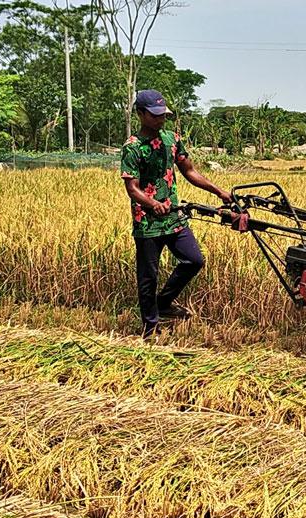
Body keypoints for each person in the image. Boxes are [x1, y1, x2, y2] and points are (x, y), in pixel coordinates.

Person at [120, 89, 232, 336]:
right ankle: (150, 327)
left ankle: (164, 304)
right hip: (147, 222)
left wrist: (218, 191)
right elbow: (132, 189)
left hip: (173, 216)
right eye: (155, 116)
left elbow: (189, 172)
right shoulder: (133, 147)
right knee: (148, 276)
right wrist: (152, 204)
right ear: (140, 114)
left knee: (194, 260)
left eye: (163, 115)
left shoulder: (172, 139)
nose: (161, 120)